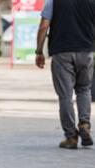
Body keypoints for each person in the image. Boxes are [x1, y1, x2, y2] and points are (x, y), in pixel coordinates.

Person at [36, 0, 95, 149]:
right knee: (84, 89)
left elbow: (44, 25)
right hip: (86, 52)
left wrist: (39, 51)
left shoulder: (53, 1)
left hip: (62, 52)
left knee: (65, 95)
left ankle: (71, 137)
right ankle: (84, 123)